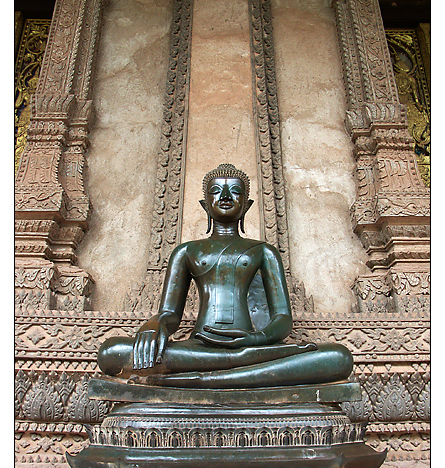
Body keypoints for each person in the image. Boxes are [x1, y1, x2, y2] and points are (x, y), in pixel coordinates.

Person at [97, 163, 353, 388]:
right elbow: (170, 314)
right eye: (217, 191)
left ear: (247, 204)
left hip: (252, 347)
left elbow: (283, 319)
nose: (226, 196)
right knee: (113, 353)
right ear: (204, 204)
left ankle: (204, 377)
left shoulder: (264, 252)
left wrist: (256, 339)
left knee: (338, 358)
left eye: (236, 191)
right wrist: (154, 326)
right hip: (199, 350)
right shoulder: (186, 251)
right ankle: (238, 370)